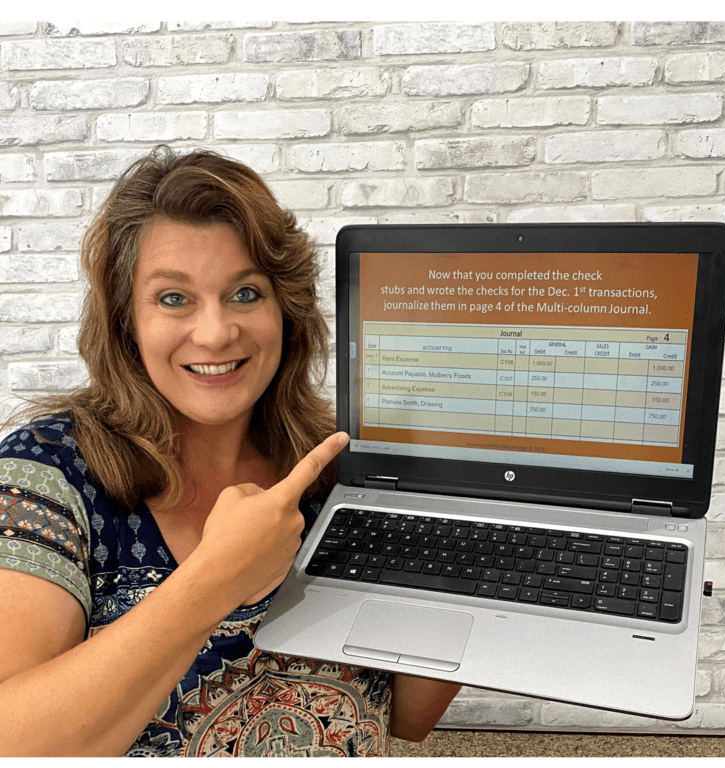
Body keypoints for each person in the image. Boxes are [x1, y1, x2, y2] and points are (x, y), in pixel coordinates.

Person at [0, 146, 460, 757]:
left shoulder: (340, 476)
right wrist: (218, 576)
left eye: (245, 293)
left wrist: (459, 545)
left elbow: (410, 715)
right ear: (125, 322)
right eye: (173, 298)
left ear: (285, 310)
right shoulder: (46, 477)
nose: (216, 332)